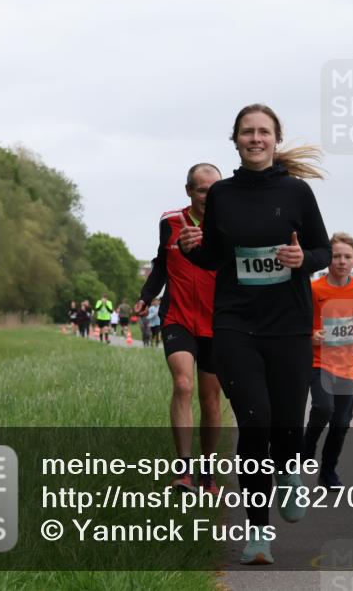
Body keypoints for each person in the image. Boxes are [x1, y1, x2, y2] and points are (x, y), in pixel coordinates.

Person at [178, 103, 330, 565]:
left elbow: (322, 250)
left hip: (289, 324)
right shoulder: (222, 194)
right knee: (254, 420)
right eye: (248, 132)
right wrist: (191, 249)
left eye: (264, 131)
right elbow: (215, 256)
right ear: (236, 140)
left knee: (286, 422)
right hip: (235, 323)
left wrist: (303, 260)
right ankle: (258, 531)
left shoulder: (297, 191)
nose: (256, 139)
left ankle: (287, 471)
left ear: (275, 139)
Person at [136, 163, 225, 494]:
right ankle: (183, 470)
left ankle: (208, 473)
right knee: (183, 384)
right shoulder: (170, 221)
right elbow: (161, 263)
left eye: (214, 191)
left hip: (217, 321)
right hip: (178, 317)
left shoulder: (229, 224)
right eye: (201, 190)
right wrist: (147, 296)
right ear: (189, 190)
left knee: (211, 398)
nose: (208, 197)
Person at [303, 232, 353, 489]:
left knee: (341, 422)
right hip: (319, 362)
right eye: (336, 256)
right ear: (328, 259)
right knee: (323, 408)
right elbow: (299, 320)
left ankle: (328, 471)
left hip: (348, 365)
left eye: (347, 257)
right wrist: (311, 335)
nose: (342, 261)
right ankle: (307, 446)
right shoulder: (314, 289)